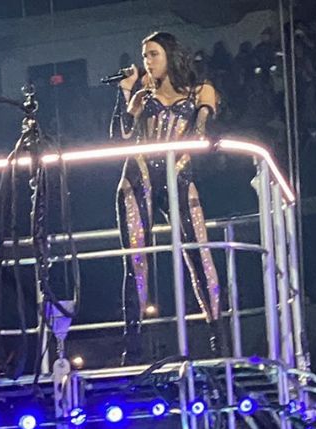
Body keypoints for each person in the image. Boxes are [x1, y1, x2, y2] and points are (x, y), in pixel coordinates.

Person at [111, 31, 226, 364]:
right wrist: (124, 91)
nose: (148, 61)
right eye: (145, 55)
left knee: (200, 253)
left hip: (179, 172)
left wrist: (204, 135)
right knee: (136, 259)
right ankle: (131, 346)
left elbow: (204, 127)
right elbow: (121, 135)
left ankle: (218, 336)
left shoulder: (200, 90)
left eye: (153, 54)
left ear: (170, 56)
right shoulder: (141, 97)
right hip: (140, 173)